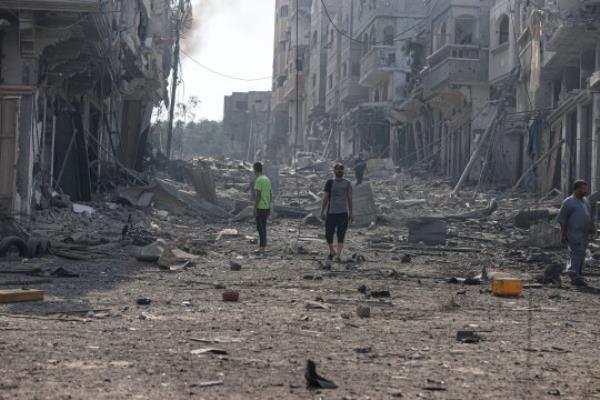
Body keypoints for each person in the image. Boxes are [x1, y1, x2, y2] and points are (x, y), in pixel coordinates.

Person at [557, 180, 595, 286]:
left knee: (581, 254)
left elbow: (589, 216)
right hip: (573, 233)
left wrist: (592, 226)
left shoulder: (585, 201)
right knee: (576, 253)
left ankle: (577, 274)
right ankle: (573, 276)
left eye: (586, 189)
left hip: (584, 234)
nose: (585, 191)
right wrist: (562, 234)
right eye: (583, 189)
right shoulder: (568, 202)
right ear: (576, 189)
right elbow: (562, 220)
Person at [321, 164, 353, 261]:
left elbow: (350, 199)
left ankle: (338, 255)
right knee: (328, 233)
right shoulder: (329, 182)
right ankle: (332, 250)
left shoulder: (347, 183)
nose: (339, 171)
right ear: (334, 171)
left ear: (343, 171)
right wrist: (322, 211)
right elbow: (325, 198)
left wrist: (351, 213)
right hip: (331, 212)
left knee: (341, 233)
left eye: (341, 169)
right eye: (337, 169)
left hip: (343, 213)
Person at [253, 162, 272, 253]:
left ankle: (262, 248)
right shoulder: (267, 179)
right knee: (263, 227)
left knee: (260, 227)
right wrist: (270, 205)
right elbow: (270, 193)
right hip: (267, 206)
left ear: (255, 170)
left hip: (261, 207)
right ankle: (263, 246)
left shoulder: (258, 180)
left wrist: (255, 207)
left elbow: (258, 195)